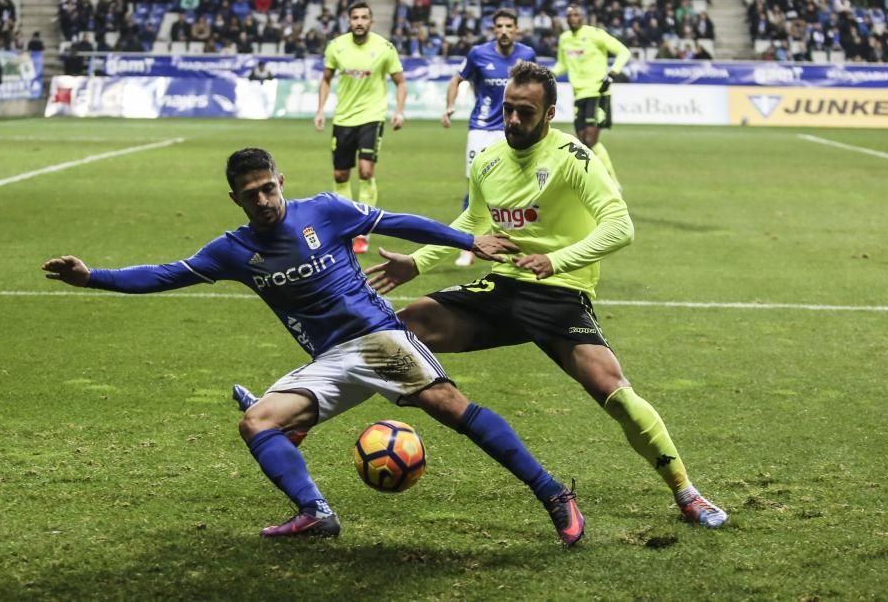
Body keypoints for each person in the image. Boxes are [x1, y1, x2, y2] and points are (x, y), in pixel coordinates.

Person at [41, 147, 585, 546]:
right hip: (328, 360)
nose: (262, 200)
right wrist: (92, 277)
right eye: (250, 194)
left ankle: (553, 492)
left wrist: (468, 240)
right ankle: (314, 511)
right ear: (236, 198)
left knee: (449, 406)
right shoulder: (233, 251)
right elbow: (164, 275)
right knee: (257, 422)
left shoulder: (323, 211)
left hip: (375, 339)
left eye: (268, 188)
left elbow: (395, 220)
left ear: (281, 181)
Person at [364, 62, 729, 530]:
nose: (513, 120)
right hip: (503, 288)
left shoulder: (574, 159)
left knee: (614, 393)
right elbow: (471, 225)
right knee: (396, 332)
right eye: (508, 109)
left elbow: (621, 227)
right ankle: (298, 414)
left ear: (549, 113)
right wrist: (417, 262)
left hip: (560, 294)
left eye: (526, 113)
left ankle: (687, 492)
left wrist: (557, 261)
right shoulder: (489, 161)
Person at [441, 8, 537, 266]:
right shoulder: (478, 54)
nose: (504, 30)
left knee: (517, 188)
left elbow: (536, 89)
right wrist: (449, 107)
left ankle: (512, 242)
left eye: (509, 26)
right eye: (500, 26)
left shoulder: (527, 55)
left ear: (516, 29)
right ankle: (467, 247)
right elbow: (456, 80)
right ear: (494, 29)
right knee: (476, 188)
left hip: (514, 129)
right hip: (481, 129)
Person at [314, 0, 407, 255]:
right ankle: (344, 225)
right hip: (343, 119)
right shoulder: (336, 47)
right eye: (355, 17)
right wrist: (321, 110)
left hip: (372, 116)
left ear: (371, 21)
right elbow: (325, 79)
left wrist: (399, 111)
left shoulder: (384, 48)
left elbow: (400, 82)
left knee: (366, 172)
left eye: (364, 17)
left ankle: (362, 230)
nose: (359, 22)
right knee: (340, 175)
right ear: (349, 20)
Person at [552, 5, 630, 190]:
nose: (573, 18)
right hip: (579, 95)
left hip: (598, 92)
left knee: (590, 140)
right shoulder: (565, 39)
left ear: (583, 17)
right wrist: (548, 73)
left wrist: (612, 74)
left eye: (576, 14)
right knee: (582, 141)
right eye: (569, 15)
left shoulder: (595, 34)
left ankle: (612, 182)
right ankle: (595, 180)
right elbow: (562, 65)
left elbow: (623, 52)